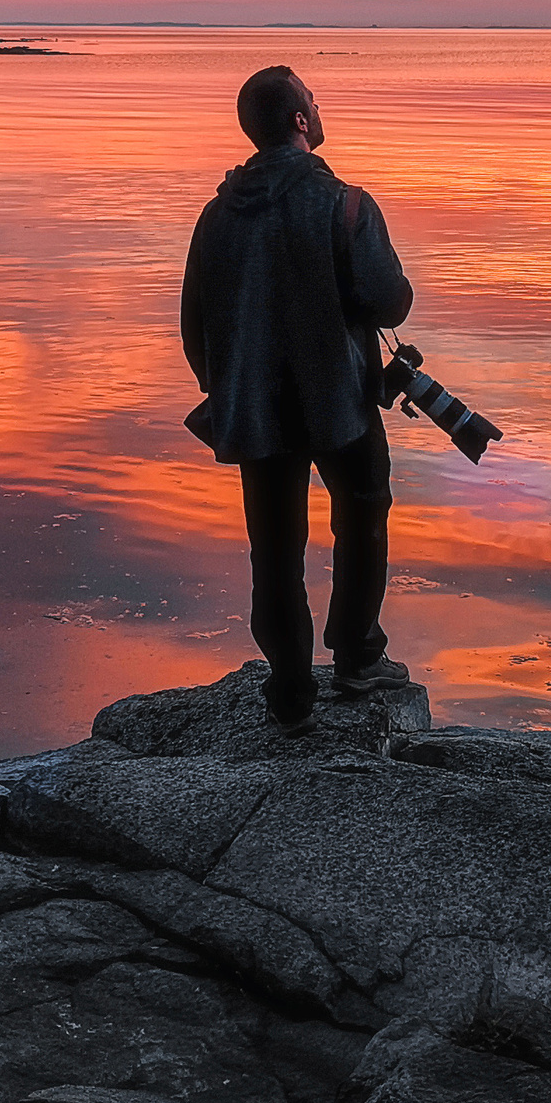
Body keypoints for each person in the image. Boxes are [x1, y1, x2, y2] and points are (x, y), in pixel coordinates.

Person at [181, 65, 415, 731]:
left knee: (275, 549)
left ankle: (288, 692)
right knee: (364, 517)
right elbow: (388, 300)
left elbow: (193, 322)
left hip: (254, 408)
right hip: (341, 401)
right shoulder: (344, 204)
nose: (318, 101)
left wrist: (226, 387)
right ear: (300, 121)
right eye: (311, 95)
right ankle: (356, 654)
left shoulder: (218, 212)